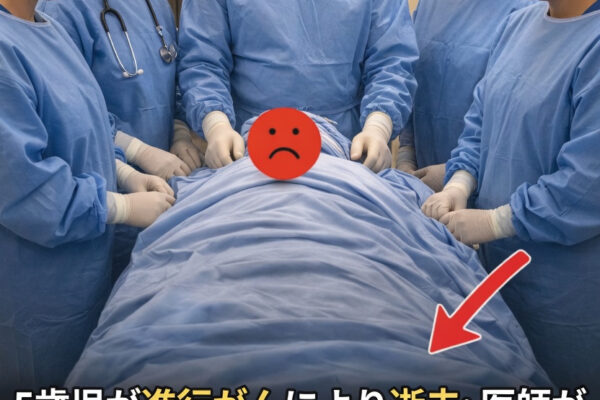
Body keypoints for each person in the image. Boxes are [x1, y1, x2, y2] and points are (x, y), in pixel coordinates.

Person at [422, 0, 600, 390]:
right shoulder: (519, 24)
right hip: (498, 269)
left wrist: (499, 220)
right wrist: (460, 181)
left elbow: (589, 183)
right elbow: (480, 122)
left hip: (566, 290)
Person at [0, 0, 175, 394]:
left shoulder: (46, 27)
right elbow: (27, 191)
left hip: (80, 273)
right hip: (34, 293)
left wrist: (126, 173)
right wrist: (121, 206)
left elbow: (87, 128)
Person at [37, 0, 203, 272]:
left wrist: (180, 130)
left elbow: (167, 78)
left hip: (162, 192)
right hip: (96, 197)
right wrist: (137, 151)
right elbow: (67, 118)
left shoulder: (154, 5)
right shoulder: (63, 10)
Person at [178, 0, 418, 173]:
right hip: (247, 151)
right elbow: (203, 60)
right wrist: (216, 125)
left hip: (347, 151)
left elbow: (391, 61)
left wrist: (378, 126)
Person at [397, 0, 533, 189]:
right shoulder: (429, 5)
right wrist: (406, 152)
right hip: (420, 179)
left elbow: (517, 118)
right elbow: (412, 76)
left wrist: (461, 174)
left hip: (484, 187)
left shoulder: (525, 9)